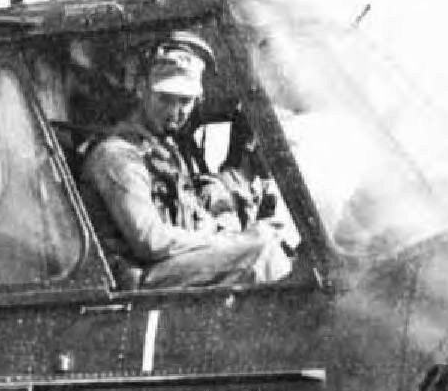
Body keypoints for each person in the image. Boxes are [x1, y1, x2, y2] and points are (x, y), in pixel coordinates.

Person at [79, 31, 294, 289]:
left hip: (165, 270)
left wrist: (234, 232)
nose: (175, 111)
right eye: (164, 99)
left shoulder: (165, 153)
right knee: (260, 253)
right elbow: (151, 241)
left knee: (271, 243)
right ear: (142, 89)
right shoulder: (117, 156)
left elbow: (193, 220)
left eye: (185, 101)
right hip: (136, 283)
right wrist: (237, 241)